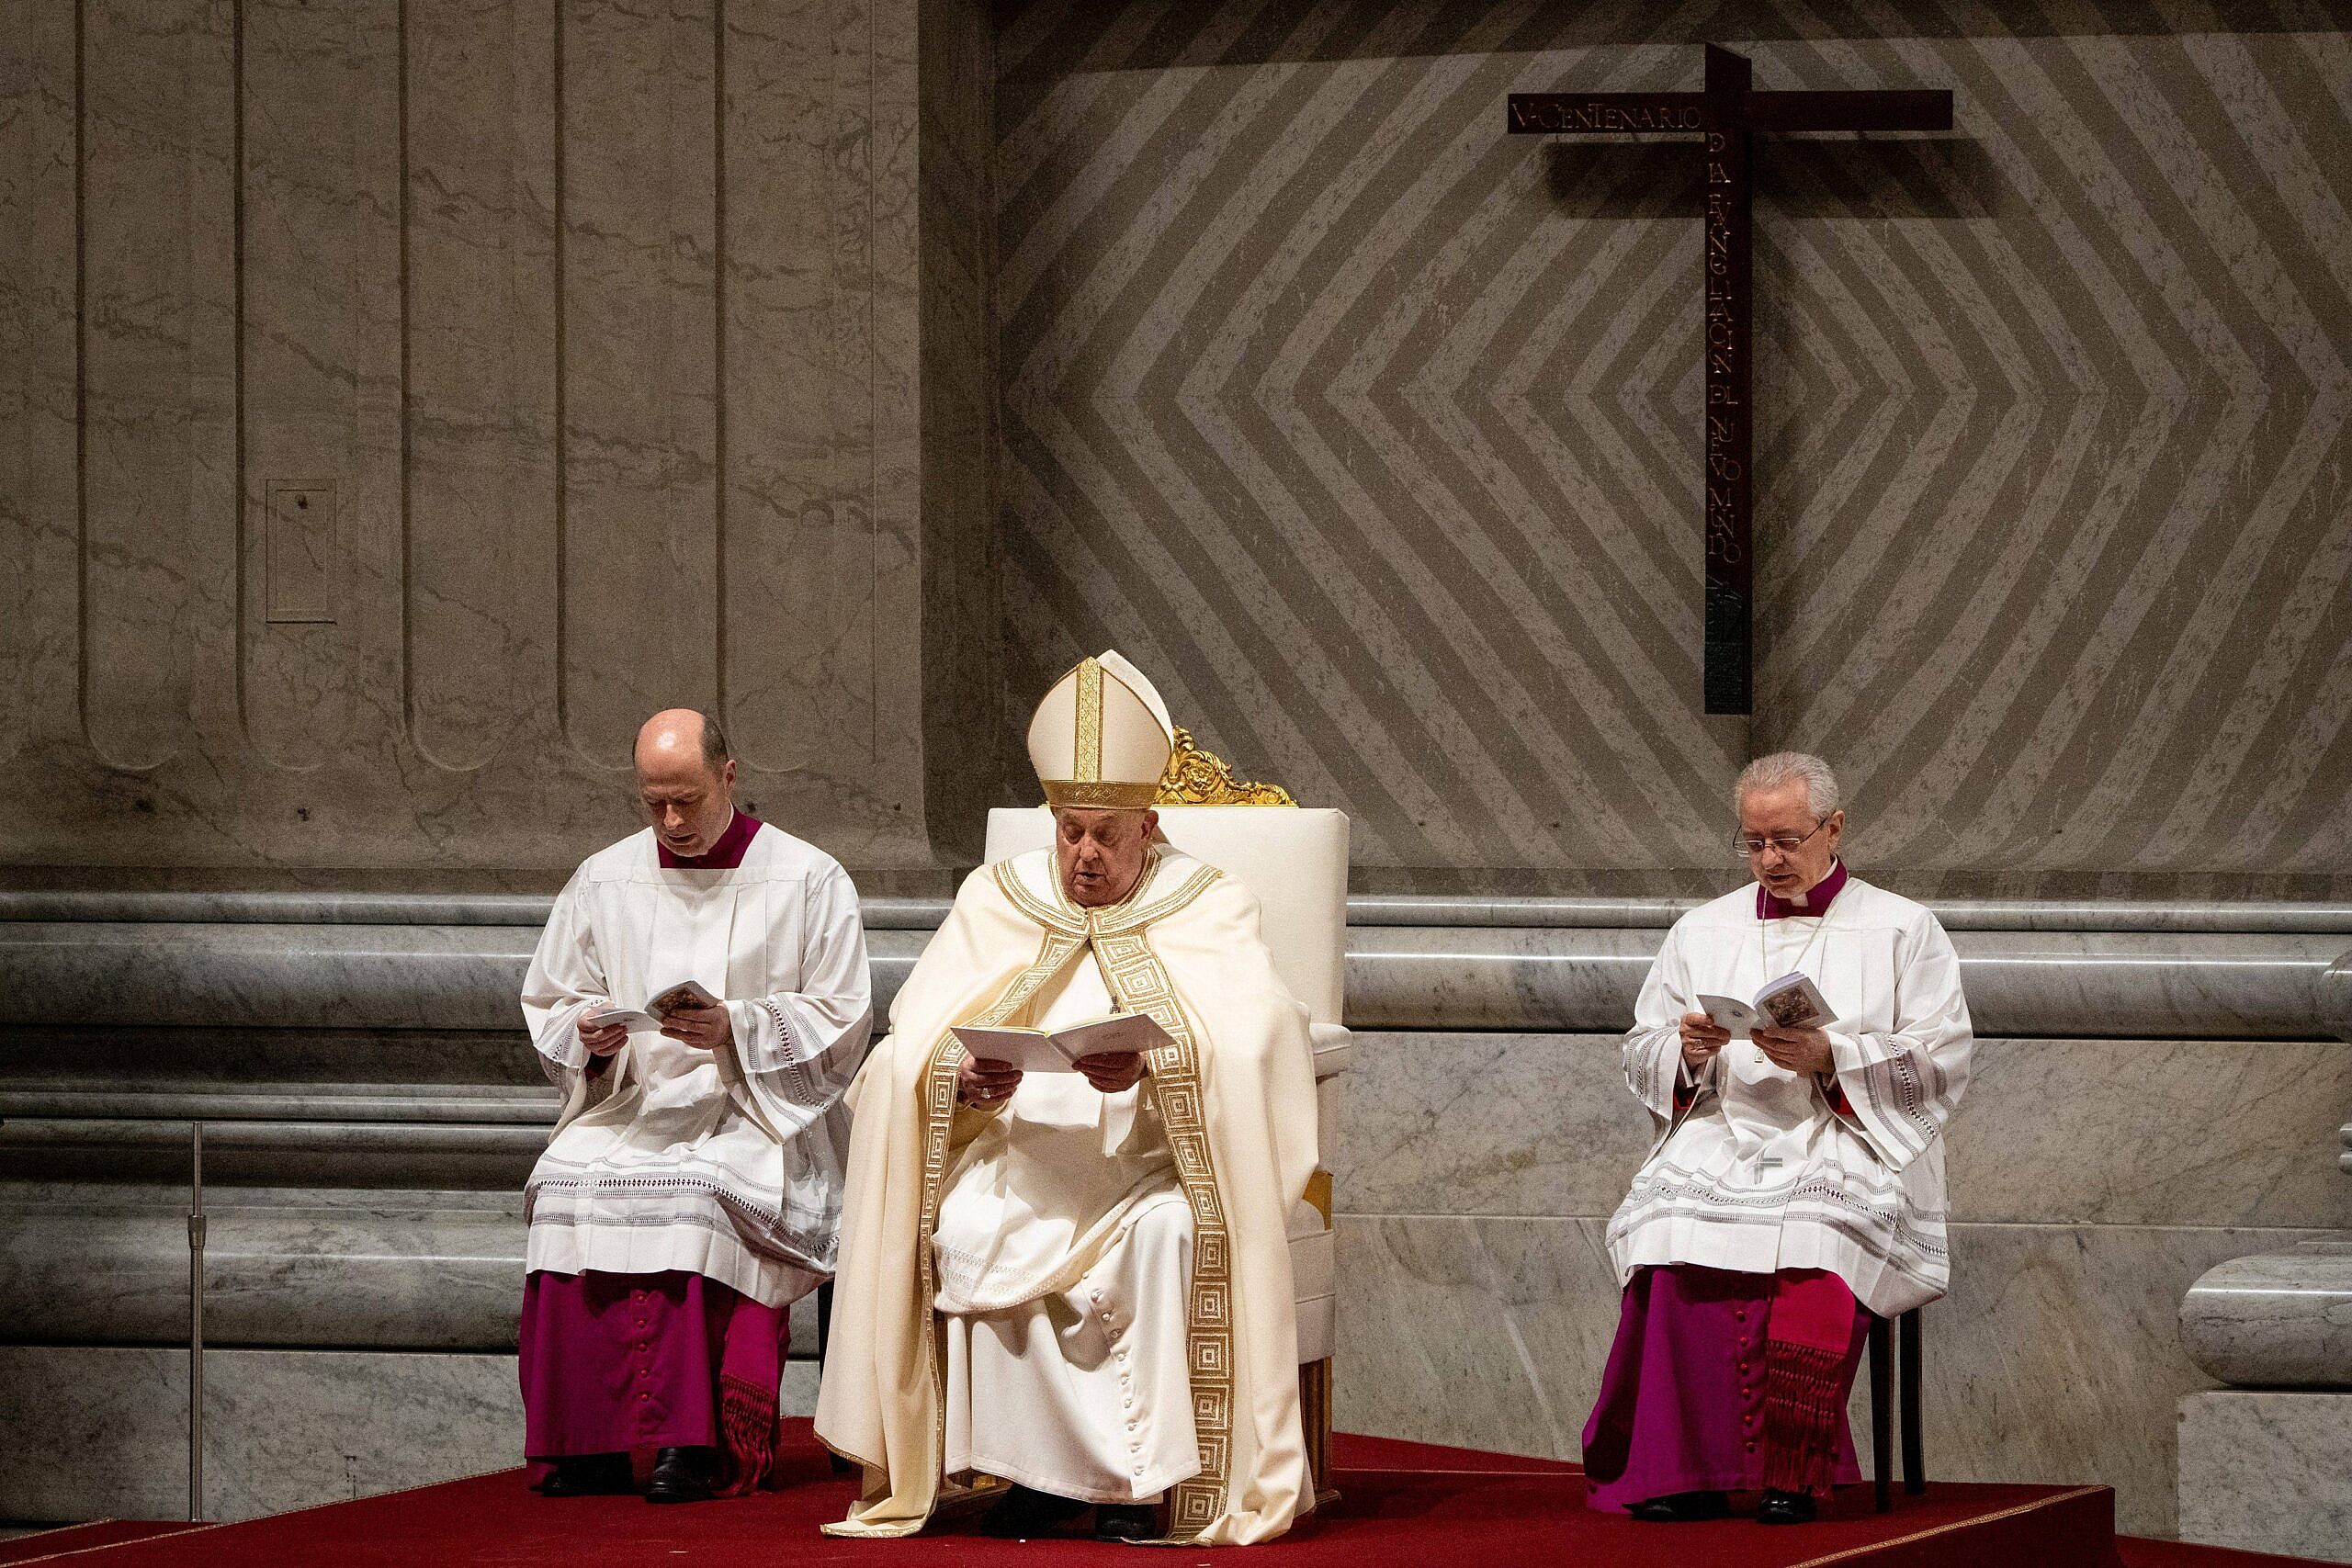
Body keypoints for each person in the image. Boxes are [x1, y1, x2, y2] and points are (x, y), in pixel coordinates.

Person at [816, 652, 1318, 1545]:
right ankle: (1036, 1478)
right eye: (1067, 829)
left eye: (1105, 834)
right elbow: (909, 1047)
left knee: (1165, 1240)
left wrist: (1161, 1072)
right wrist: (962, 1084)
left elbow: (1257, 1042)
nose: (1083, 855)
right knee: (965, 1231)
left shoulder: (1209, 903)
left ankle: (1132, 1485)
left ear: (1148, 824)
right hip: (1024, 1160)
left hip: (1150, 1172)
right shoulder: (995, 896)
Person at [1583, 752, 1972, 1525]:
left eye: (1788, 839)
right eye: (1754, 842)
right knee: (1667, 1229)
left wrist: (1837, 1058)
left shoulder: (1902, 926)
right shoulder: (1702, 927)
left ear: (1834, 827)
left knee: (1818, 1232)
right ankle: (1681, 1466)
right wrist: (1686, 1052)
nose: (1771, 859)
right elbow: (1640, 1045)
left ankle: (1791, 1470)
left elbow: (1943, 1054)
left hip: (1842, 1134)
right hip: (1727, 1129)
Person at [516, 709, 872, 1502]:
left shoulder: (809, 877)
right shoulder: (605, 877)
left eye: (688, 800)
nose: (672, 822)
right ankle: (587, 1445)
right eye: (654, 804)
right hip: (639, 1104)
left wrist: (736, 1027)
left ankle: (696, 1442)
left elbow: (846, 1016)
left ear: (730, 777)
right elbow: (551, 997)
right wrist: (591, 1033)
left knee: (700, 1192)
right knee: (563, 1184)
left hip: (763, 1112)